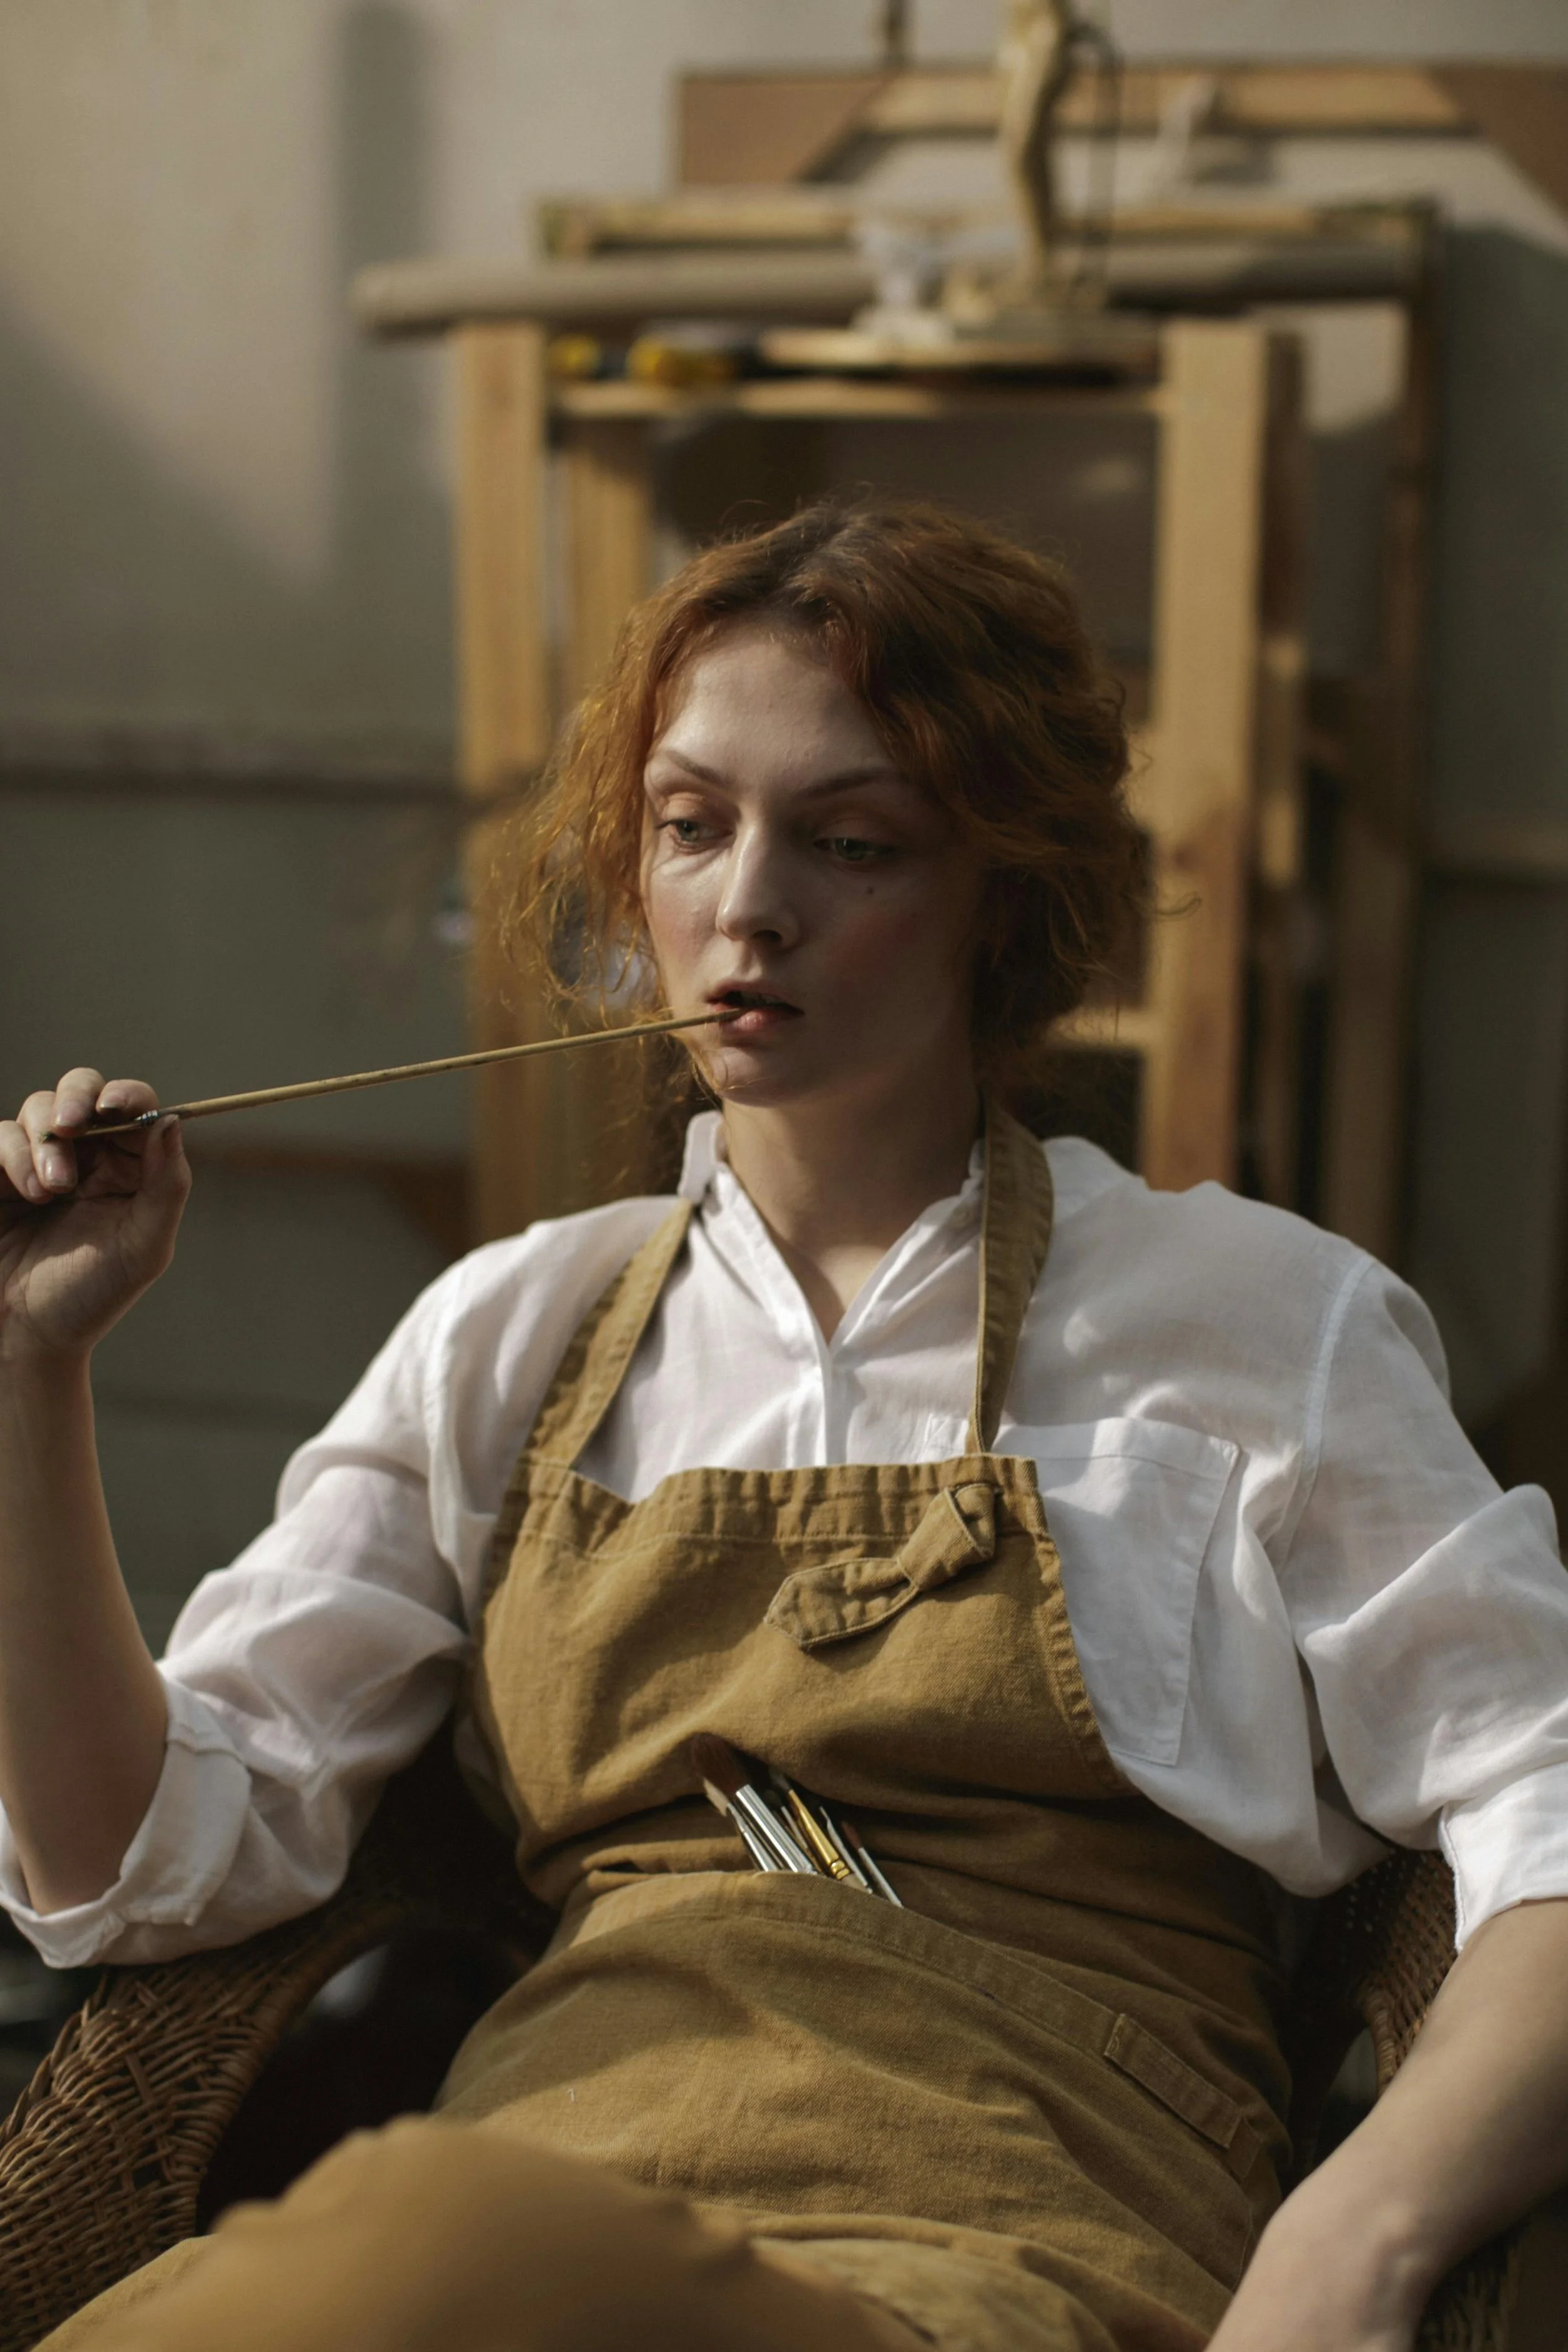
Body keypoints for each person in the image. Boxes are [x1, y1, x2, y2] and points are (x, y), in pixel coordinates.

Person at [2, 501, 1567, 2352]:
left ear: (1002, 890)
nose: (747, 904)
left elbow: (1543, 1816)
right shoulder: (516, 1333)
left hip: (996, 2255)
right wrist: (32, 1374)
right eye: (688, 826)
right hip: (560, 2203)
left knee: (410, 2236)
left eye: (851, 839)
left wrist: (1358, 2233)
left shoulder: (1254, 1323)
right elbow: (141, 1871)